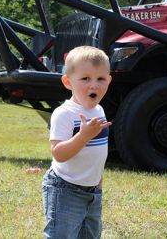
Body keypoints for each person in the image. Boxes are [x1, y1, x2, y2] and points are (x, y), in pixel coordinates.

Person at [42, 46, 112, 238]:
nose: (94, 85)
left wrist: (98, 184)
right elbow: (59, 153)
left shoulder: (99, 111)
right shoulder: (64, 114)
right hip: (65, 189)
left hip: (92, 192)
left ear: (109, 81)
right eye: (85, 78)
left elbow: (97, 153)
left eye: (100, 79)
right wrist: (82, 137)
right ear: (68, 82)